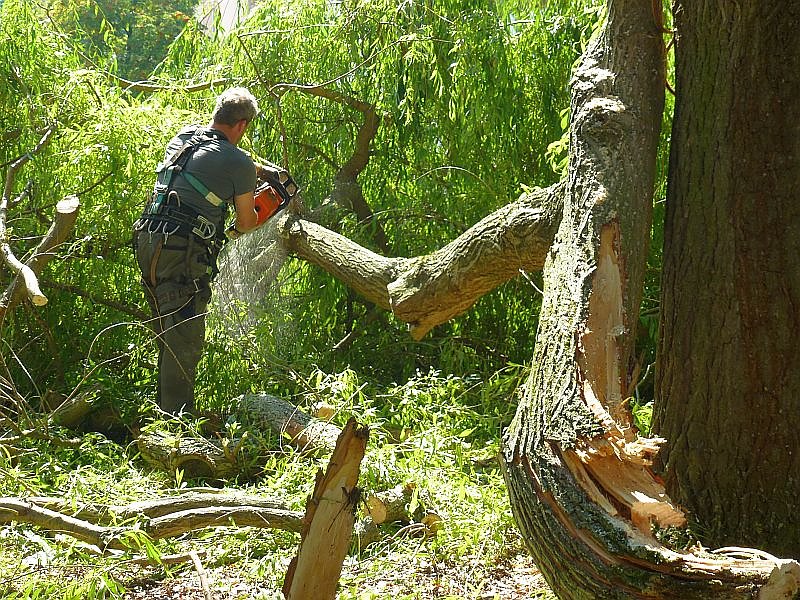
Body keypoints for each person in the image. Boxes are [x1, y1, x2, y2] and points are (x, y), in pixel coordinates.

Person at [133, 87, 263, 416]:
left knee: (167, 330)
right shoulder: (239, 161)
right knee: (185, 337)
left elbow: (203, 171)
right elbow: (246, 222)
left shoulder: (184, 137)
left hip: (148, 241)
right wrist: (260, 203)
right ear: (242, 125)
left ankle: (160, 415)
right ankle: (176, 428)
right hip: (181, 250)